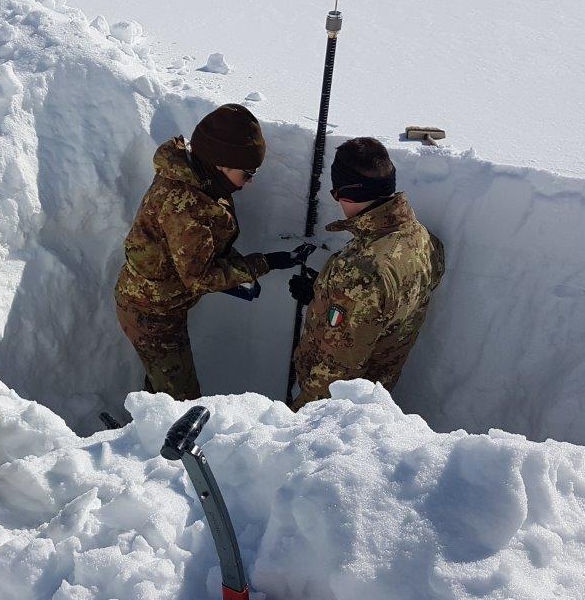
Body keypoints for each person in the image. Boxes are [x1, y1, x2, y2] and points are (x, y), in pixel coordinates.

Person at [114, 103, 305, 400]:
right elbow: (201, 278)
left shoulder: (201, 179)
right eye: (247, 173)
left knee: (165, 387)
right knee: (180, 401)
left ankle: (147, 415)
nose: (250, 182)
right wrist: (264, 263)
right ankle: (150, 426)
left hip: (163, 300)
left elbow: (203, 249)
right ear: (221, 165)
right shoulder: (187, 206)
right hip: (151, 313)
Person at [288, 137, 445, 410]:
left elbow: (335, 377)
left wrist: (293, 421)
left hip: (335, 413)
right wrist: (324, 295)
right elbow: (383, 308)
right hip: (373, 399)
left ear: (346, 194)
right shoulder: (423, 239)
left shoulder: (362, 272)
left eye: (337, 194)